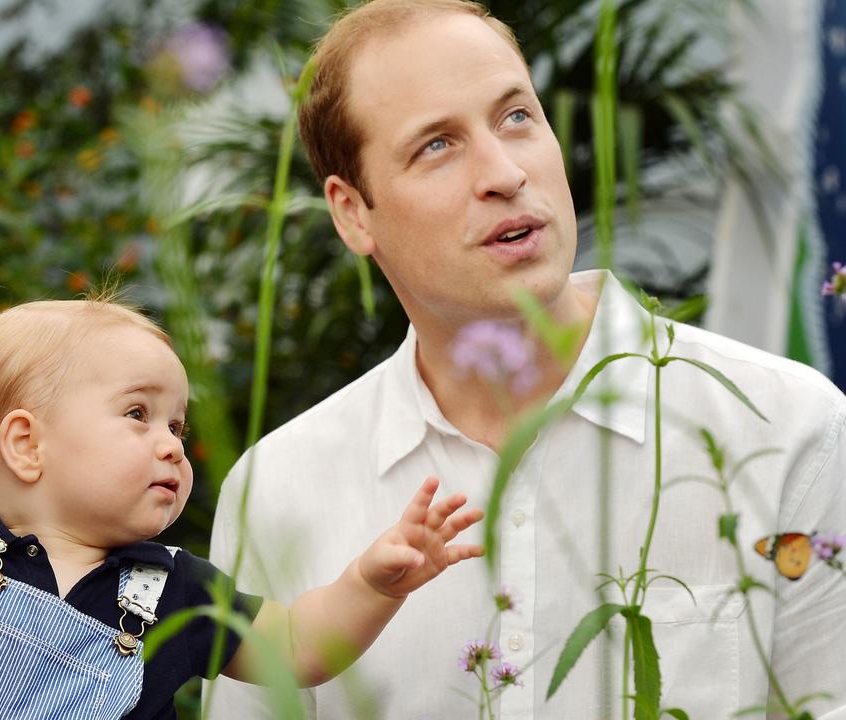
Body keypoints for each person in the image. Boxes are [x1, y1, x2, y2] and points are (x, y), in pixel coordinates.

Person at [206, 0, 846, 718]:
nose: (505, 172)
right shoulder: (279, 487)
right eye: (437, 146)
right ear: (353, 212)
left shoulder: (788, 427)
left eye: (516, 117)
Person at [0, 298, 483, 719]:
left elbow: (296, 646)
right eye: (137, 414)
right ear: (27, 445)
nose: (172, 446)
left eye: (177, 426)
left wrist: (371, 584)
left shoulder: (173, 585)